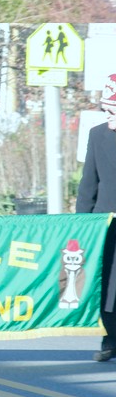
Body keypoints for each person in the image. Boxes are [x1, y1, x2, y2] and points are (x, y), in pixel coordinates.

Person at [76, 72, 116, 362]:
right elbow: (88, 183)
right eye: (106, 108)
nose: (108, 114)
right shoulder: (97, 135)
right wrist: (81, 224)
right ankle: (110, 339)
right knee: (109, 286)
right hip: (106, 223)